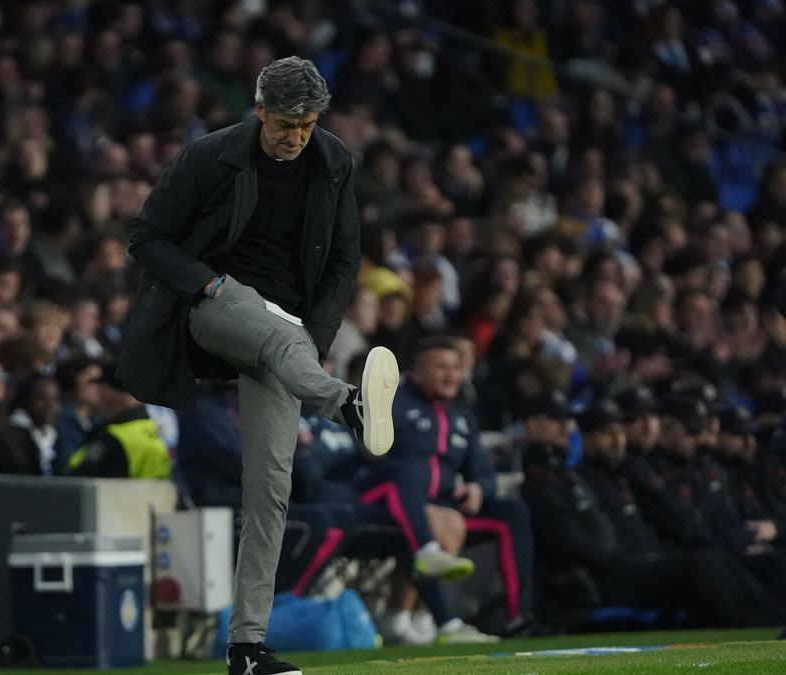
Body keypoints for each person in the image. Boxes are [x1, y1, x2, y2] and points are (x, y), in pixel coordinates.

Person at [117, 56, 400, 675]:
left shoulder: (334, 163)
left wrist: (315, 335)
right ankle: (346, 405)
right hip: (218, 307)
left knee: (271, 490)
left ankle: (247, 649)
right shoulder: (208, 156)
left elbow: (345, 257)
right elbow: (146, 236)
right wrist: (206, 286)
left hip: (292, 337)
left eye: (306, 125)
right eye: (285, 125)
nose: (296, 137)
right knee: (272, 337)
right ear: (259, 110)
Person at [535, 399, 786, 627]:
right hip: (617, 572)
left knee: (717, 557)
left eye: (619, 432)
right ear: (586, 439)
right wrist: (621, 557)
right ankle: (758, 620)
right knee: (700, 564)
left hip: (645, 559)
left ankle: (774, 613)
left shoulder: (623, 475)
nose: (617, 440)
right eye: (606, 434)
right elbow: (577, 540)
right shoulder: (579, 480)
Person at [358, 337, 534, 639]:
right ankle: (442, 621)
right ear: (417, 371)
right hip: (382, 498)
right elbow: (367, 453)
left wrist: (480, 488)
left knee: (509, 513)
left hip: (441, 506)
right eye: (441, 367)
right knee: (416, 484)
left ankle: (515, 618)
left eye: (456, 368)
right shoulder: (395, 403)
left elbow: (483, 473)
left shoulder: (462, 417)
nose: (452, 375)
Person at [65, 367, 172, 479]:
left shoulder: (114, 439)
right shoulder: (151, 430)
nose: (98, 396)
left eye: (100, 389)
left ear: (109, 393)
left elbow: (76, 483)